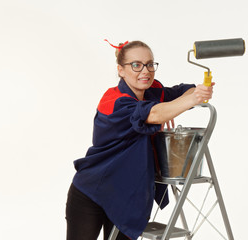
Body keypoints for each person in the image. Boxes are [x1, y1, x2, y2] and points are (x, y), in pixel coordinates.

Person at [65, 40, 215, 240]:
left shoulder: (154, 92)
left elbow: (183, 91)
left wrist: (195, 93)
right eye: (136, 65)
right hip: (94, 191)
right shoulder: (113, 101)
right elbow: (152, 114)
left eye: (150, 64)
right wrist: (181, 103)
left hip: (127, 198)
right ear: (121, 70)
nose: (145, 71)